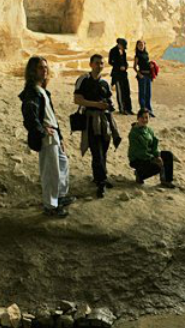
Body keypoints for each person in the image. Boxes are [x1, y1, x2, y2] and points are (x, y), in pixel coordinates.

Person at [19, 56, 73, 218]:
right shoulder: (32, 92)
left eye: (46, 67)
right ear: (33, 71)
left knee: (62, 164)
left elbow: (52, 115)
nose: (45, 70)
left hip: (53, 133)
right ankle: (50, 206)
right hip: (47, 136)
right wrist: (41, 131)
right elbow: (29, 116)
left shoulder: (42, 90)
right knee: (51, 171)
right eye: (41, 67)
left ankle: (60, 197)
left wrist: (61, 136)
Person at [74, 54, 120, 198]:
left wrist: (107, 105)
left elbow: (109, 99)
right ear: (91, 64)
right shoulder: (84, 80)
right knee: (96, 150)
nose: (99, 65)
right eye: (97, 63)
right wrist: (96, 105)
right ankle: (101, 181)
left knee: (103, 148)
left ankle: (99, 177)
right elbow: (77, 99)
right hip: (90, 119)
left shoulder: (105, 83)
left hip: (104, 119)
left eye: (101, 63)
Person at [128, 109, 175, 188]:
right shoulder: (133, 133)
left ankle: (166, 180)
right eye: (142, 117)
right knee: (156, 166)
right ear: (138, 118)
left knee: (168, 155)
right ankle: (140, 175)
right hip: (137, 158)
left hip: (149, 155)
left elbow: (154, 144)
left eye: (146, 118)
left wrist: (157, 155)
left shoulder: (149, 130)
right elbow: (139, 152)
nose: (144, 120)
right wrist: (153, 158)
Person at [108, 38, 133, 115]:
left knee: (127, 91)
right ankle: (122, 109)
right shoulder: (113, 51)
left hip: (124, 74)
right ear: (119, 44)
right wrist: (119, 66)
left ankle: (129, 109)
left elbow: (124, 61)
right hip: (117, 74)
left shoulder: (123, 51)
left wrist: (126, 66)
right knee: (120, 92)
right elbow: (110, 62)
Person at [134, 39, 154, 117]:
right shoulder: (137, 55)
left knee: (148, 94)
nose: (141, 46)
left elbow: (146, 63)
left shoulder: (146, 53)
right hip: (142, 75)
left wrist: (151, 66)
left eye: (142, 44)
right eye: (139, 45)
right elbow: (134, 67)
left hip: (148, 75)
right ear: (137, 46)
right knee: (142, 93)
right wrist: (139, 74)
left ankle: (149, 110)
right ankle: (143, 110)